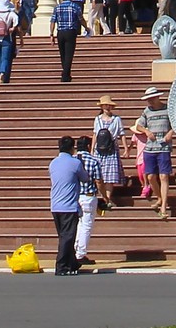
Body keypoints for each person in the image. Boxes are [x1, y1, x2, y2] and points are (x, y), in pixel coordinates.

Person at [133, 86, 174, 217]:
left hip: (163, 147)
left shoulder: (168, 109)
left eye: (151, 98)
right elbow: (139, 125)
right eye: (148, 99)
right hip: (150, 148)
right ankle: (159, 197)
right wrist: (146, 131)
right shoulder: (147, 111)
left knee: (164, 176)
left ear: (157, 97)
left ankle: (163, 207)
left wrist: (170, 133)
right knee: (150, 176)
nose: (149, 101)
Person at [47, 137, 85, 275]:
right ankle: (61, 266)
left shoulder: (53, 163)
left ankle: (72, 263)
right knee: (68, 237)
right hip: (68, 206)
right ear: (72, 148)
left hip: (55, 205)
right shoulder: (75, 163)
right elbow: (85, 178)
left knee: (64, 236)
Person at [74, 129, 107, 265]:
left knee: (77, 225)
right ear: (89, 146)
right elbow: (99, 181)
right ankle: (80, 254)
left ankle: (75, 250)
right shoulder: (93, 161)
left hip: (74, 197)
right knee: (86, 226)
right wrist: (105, 197)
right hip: (88, 196)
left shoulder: (73, 160)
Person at [91, 97, 127, 199]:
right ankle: (102, 196)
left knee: (110, 176)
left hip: (112, 148)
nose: (107, 107)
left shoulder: (116, 119)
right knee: (99, 173)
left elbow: (122, 134)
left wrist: (125, 148)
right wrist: (92, 149)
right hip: (99, 148)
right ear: (102, 106)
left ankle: (107, 197)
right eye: (105, 105)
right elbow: (95, 134)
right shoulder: (97, 119)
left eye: (109, 105)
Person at [50, 0, 83, 82]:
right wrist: (86, 27)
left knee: (63, 54)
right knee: (69, 54)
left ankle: (66, 74)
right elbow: (80, 18)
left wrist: (51, 34)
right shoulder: (75, 6)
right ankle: (65, 74)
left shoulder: (57, 7)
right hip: (70, 31)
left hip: (60, 32)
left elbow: (52, 21)